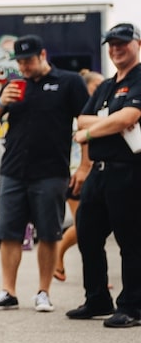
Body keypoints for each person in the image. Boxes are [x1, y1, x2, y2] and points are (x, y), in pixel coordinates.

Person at [0, 35, 90, 312]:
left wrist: (85, 165)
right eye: (20, 62)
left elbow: (86, 123)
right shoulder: (14, 85)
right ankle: (8, 293)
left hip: (51, 172)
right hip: (13, 171)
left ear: (43, 55)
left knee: (49, 234)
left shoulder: (69, 82)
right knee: (9, 233)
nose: (24, 66)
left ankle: (43, 292)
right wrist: (2, 101)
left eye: (28, 60)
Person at [67, 23, 141, 327]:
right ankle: (97, 299)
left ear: (137, 43)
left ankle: (133, 306)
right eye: (111, 44)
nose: (115, 49)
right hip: (98, 172)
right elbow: (82, 116)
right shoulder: (108, 85)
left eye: (122, 43)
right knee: (88, 235)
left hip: (128, 171)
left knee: (131, 240)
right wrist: (109, 123)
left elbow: (130, 116)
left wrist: (90, 132)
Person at [54, 69, 105, 281]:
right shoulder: (81, 114)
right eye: (97, 87)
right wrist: (84, 167)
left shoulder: (94, 111)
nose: (101, 91)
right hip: (77, 175)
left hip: (93, 173)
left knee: (89, 226)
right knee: (84, 226)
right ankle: (58, 257)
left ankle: (96, 275)